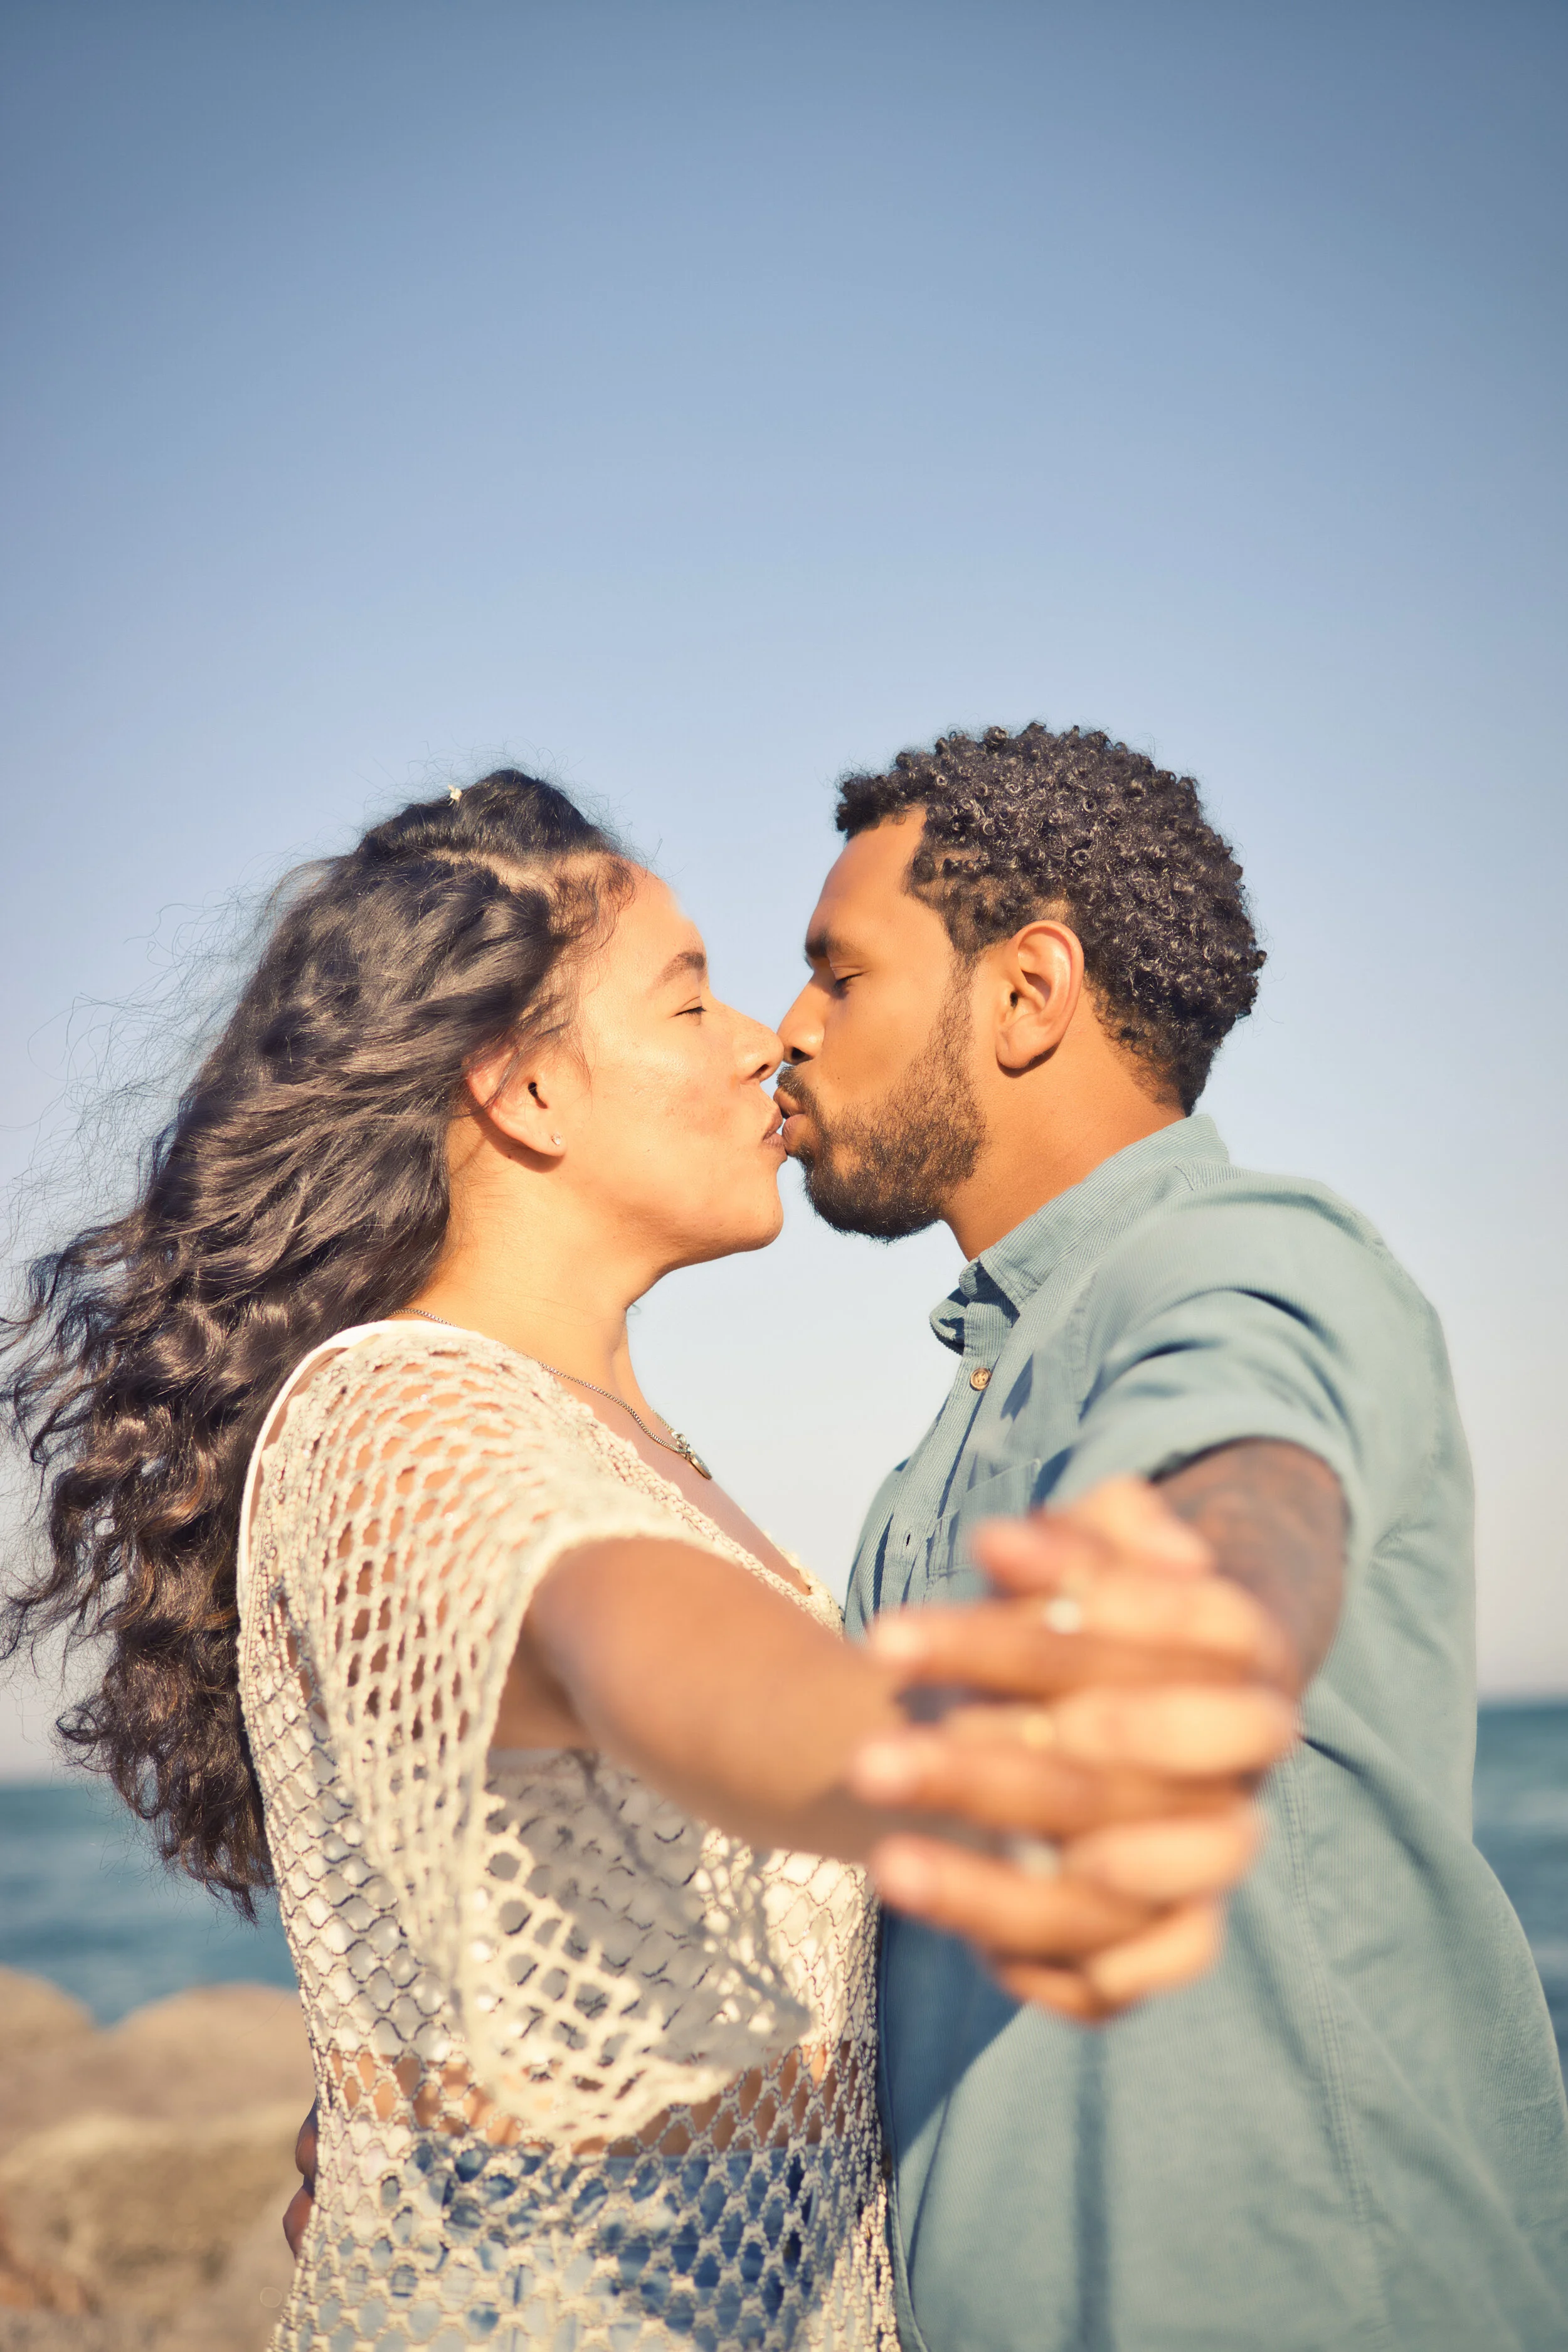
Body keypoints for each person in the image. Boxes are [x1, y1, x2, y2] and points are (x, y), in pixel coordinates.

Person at [0, 773, 1295, 2352]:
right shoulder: (400, 1416)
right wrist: (953, 1762)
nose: (764, 1038)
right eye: (688, 1000)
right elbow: (630, 1639)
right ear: (525, 1094)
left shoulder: (633, 1445)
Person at [770, 723, 1568, 2350]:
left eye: (838, 974)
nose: (788, 1030)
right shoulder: (938, 1450)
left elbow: (1246, 1466)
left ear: (1028, 988)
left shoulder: (1244, 1249)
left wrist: (1195, 1618)